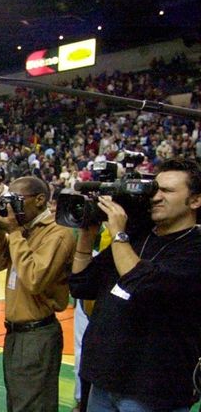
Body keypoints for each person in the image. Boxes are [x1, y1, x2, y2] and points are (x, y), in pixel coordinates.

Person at [70, 158, 201, 411]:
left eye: (168, 191)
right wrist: (87, 233)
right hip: (103, 379)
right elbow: (82, 285)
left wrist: (118, 233)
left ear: (195, 200)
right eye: (155, 189)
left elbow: (140, 285)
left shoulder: (193, 247)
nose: (155, 197)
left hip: (152, 389)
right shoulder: (139, 236)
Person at [0, 176, 76, 412]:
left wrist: (14, 231)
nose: (11, 207)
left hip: (38, 333)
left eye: (16, 200)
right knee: (17, 403)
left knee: (34, 406)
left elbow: (34, 279)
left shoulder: (57, 233)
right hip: (16, 333)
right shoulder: (23, 231)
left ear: (39, 200)